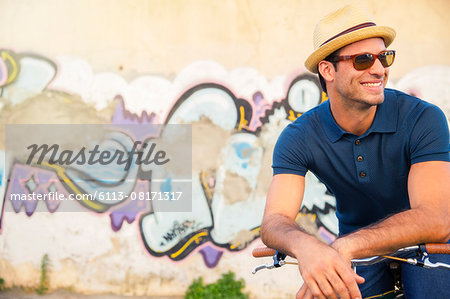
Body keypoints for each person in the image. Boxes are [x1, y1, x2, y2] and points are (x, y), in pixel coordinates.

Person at [260, 3, 450, 299]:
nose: (379, 69)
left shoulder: (422, 118)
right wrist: (308, 248)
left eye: (384, 57)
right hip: (359, 251)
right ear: (327, 70)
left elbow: (436, 220)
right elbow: (274, 221)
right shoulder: (299, 136)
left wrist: (344, 246)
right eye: (363, 60)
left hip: (432, 246)